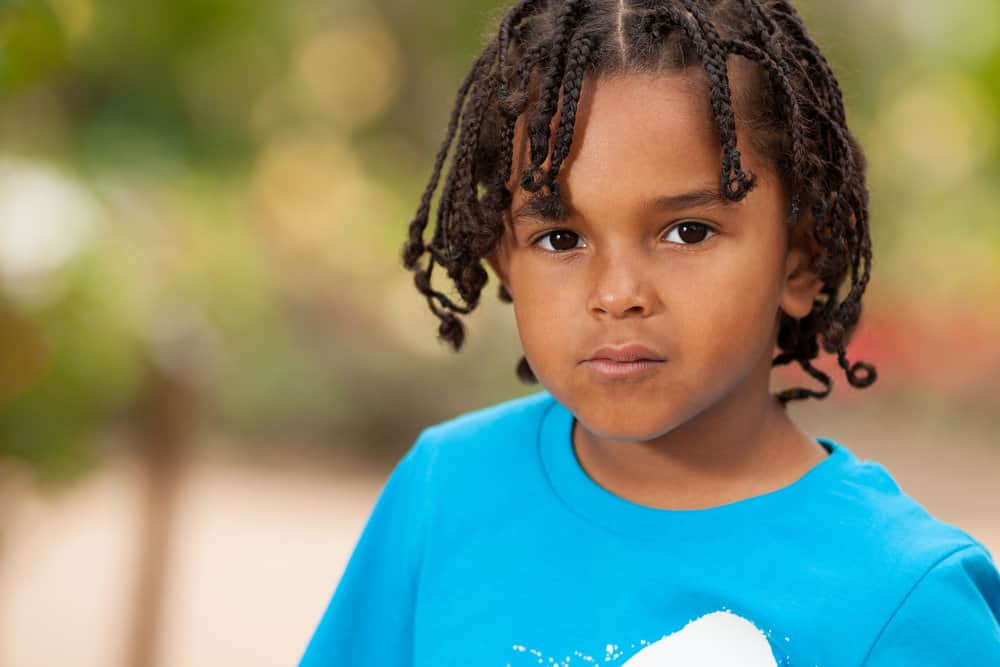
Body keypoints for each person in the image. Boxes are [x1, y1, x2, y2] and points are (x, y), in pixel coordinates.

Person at [299, 0, 1000, 664]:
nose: (617, 294)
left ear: (804, 256)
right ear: (502, 257)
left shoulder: (905, 598)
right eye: (560, 237)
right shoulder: (444, 489)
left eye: (686, 231)